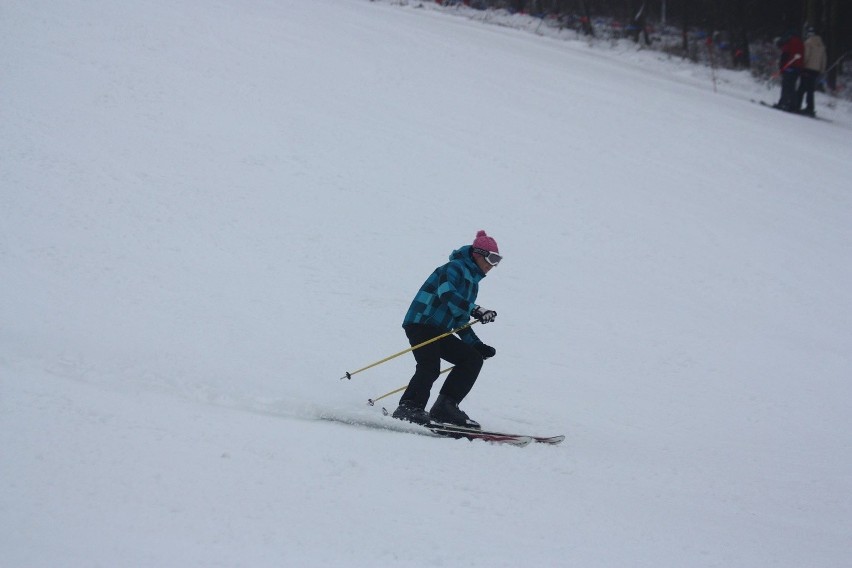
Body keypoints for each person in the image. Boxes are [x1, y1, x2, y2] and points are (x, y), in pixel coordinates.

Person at [391, 230, 502, 429]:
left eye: (497, 261)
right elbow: (447, 294)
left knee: (472, 359)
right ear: (477, 254)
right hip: (421, 323)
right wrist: (475, 309)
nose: (492, 266)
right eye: (492, 259)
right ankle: (408, 407)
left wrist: (476, 345)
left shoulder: (473, 285)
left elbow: (460, 317)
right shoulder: (453, 268)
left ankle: (445, 407)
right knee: (430, 365)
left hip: (440, 330)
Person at [796, 26, 827, 117]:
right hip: (815, 71)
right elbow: (824, 59)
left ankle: (797, 105)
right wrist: (822, 70)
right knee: (810, 90)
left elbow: (806, 56)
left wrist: (802, 65)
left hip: (807, 68)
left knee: (801, 88)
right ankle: (810, 107)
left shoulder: (808, 43)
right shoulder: (821, 45)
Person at [773, 29, 804, 112]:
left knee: (786, 85)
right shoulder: (800, 42)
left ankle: (783, 103)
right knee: (792, 86)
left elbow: (785, 56)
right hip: (798, 67)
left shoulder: (788, 42)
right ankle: (793, 105)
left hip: (789, 66)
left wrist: (782, 68)